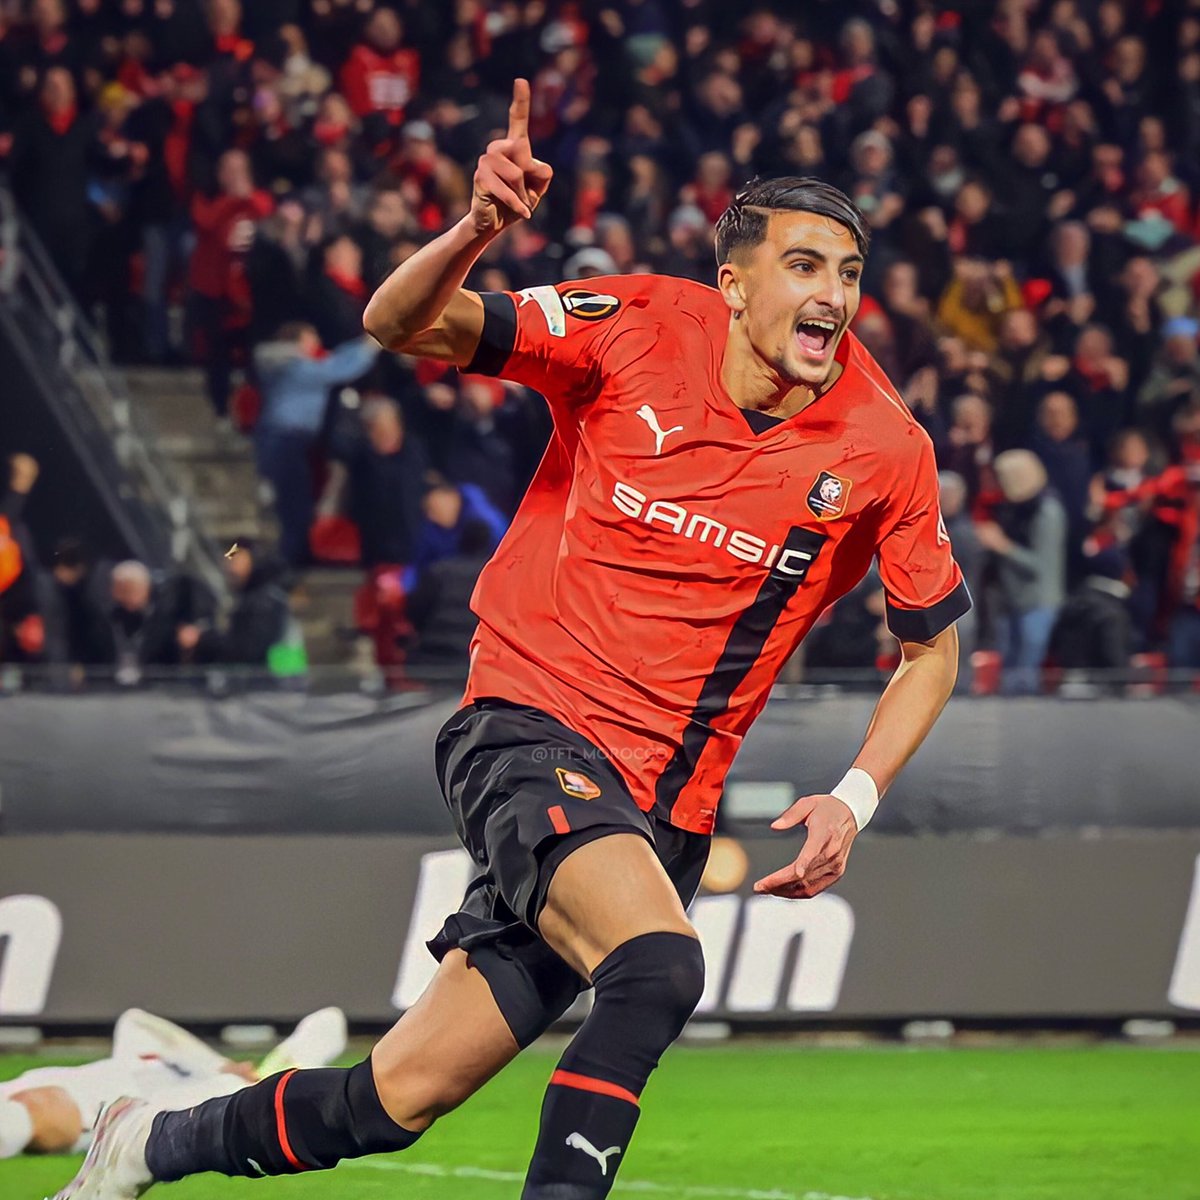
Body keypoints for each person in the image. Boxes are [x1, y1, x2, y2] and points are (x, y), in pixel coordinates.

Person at [56, 80, 969, 1200]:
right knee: (658, 968)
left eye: (849, 273)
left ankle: (143, 1141)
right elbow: (397, 325)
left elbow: (932, 651)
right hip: (527, 730)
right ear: (733, 284)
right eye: (805, 265)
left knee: (394, 1100)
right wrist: (476, 229)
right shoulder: (631, 324)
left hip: (662, 812)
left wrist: (855, 798)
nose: (833, 294)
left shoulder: (885, 447)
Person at [2, 1008, 345, 1161]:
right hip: (142, 1107)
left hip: (146, 1078)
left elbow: (136, 1023)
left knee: (329, 1022)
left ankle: (270, 1079)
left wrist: (220, 1065)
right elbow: (52, 1117)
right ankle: (274, 1080)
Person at [252, 323, 380, 566]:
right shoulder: (295, 368)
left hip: (281, 440)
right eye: (312, 337)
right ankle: (291, 558)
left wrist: (363, 342)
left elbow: (332, 359)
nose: (318, 342)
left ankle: (293, 554)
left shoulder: (281, 363)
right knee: (293, 502)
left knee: (292, 499)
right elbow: (338, 368)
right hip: (286, 442)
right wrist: (371, 347)